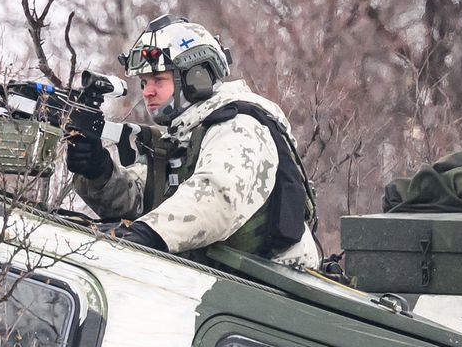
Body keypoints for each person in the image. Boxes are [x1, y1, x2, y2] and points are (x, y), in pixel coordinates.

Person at [63, 14, 319, 269]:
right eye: (144, 82)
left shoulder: (240, 126)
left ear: (196, 78)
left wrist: (150, 233)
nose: (147, 92)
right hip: (223, 285)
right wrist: (98, 171)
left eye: (158, 80)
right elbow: (139, 199)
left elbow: (216, 198)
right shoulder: (184, 134)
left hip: (272, 292)